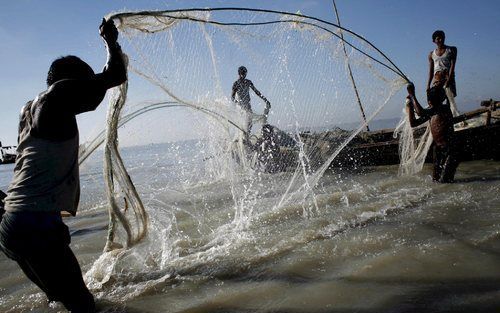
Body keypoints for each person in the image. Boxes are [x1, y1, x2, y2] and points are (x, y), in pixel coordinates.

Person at [0, 18, 127, 312]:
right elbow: (114, 74)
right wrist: (110, 41)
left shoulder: (28, 109)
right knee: (83, 305)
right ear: (71, 79)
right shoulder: (58, 95)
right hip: (36, 224)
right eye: (83, 79)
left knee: (59, 299)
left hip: (12, 224)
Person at [406, 82, 459, 183]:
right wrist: (410, 107)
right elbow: (413, 123)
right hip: (438, 150)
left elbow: (420, 112)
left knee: (445, 182)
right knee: (436, 181)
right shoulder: (432, 112)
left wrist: (412, 95)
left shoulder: (444, 108)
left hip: (450, 151)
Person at [231, 66, 271, 141]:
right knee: (244, 122)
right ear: (239, 74)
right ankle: (242, 137)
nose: (243, 75)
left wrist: (265, 100)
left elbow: (256, 92)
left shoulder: (248, 82)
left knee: (250, 122)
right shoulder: (236, 84)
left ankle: (246, 138)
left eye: (244, 74)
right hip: (241, 107)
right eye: (242, 74)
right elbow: (232, 97)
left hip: (248, 106)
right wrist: (237, 103)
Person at [427, 30, 460, 117]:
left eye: (442, 37)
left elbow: (453, 66)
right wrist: (428, 85)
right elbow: (431, 71)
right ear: (434, 41)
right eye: (438, 38)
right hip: (437, 79)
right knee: (436, 101)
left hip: (448, 77)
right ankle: (440, 120)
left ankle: (450, 120)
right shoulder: (431, 54)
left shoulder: (452, 49)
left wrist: (449, 80)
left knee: (449, 100)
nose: (441, 40)